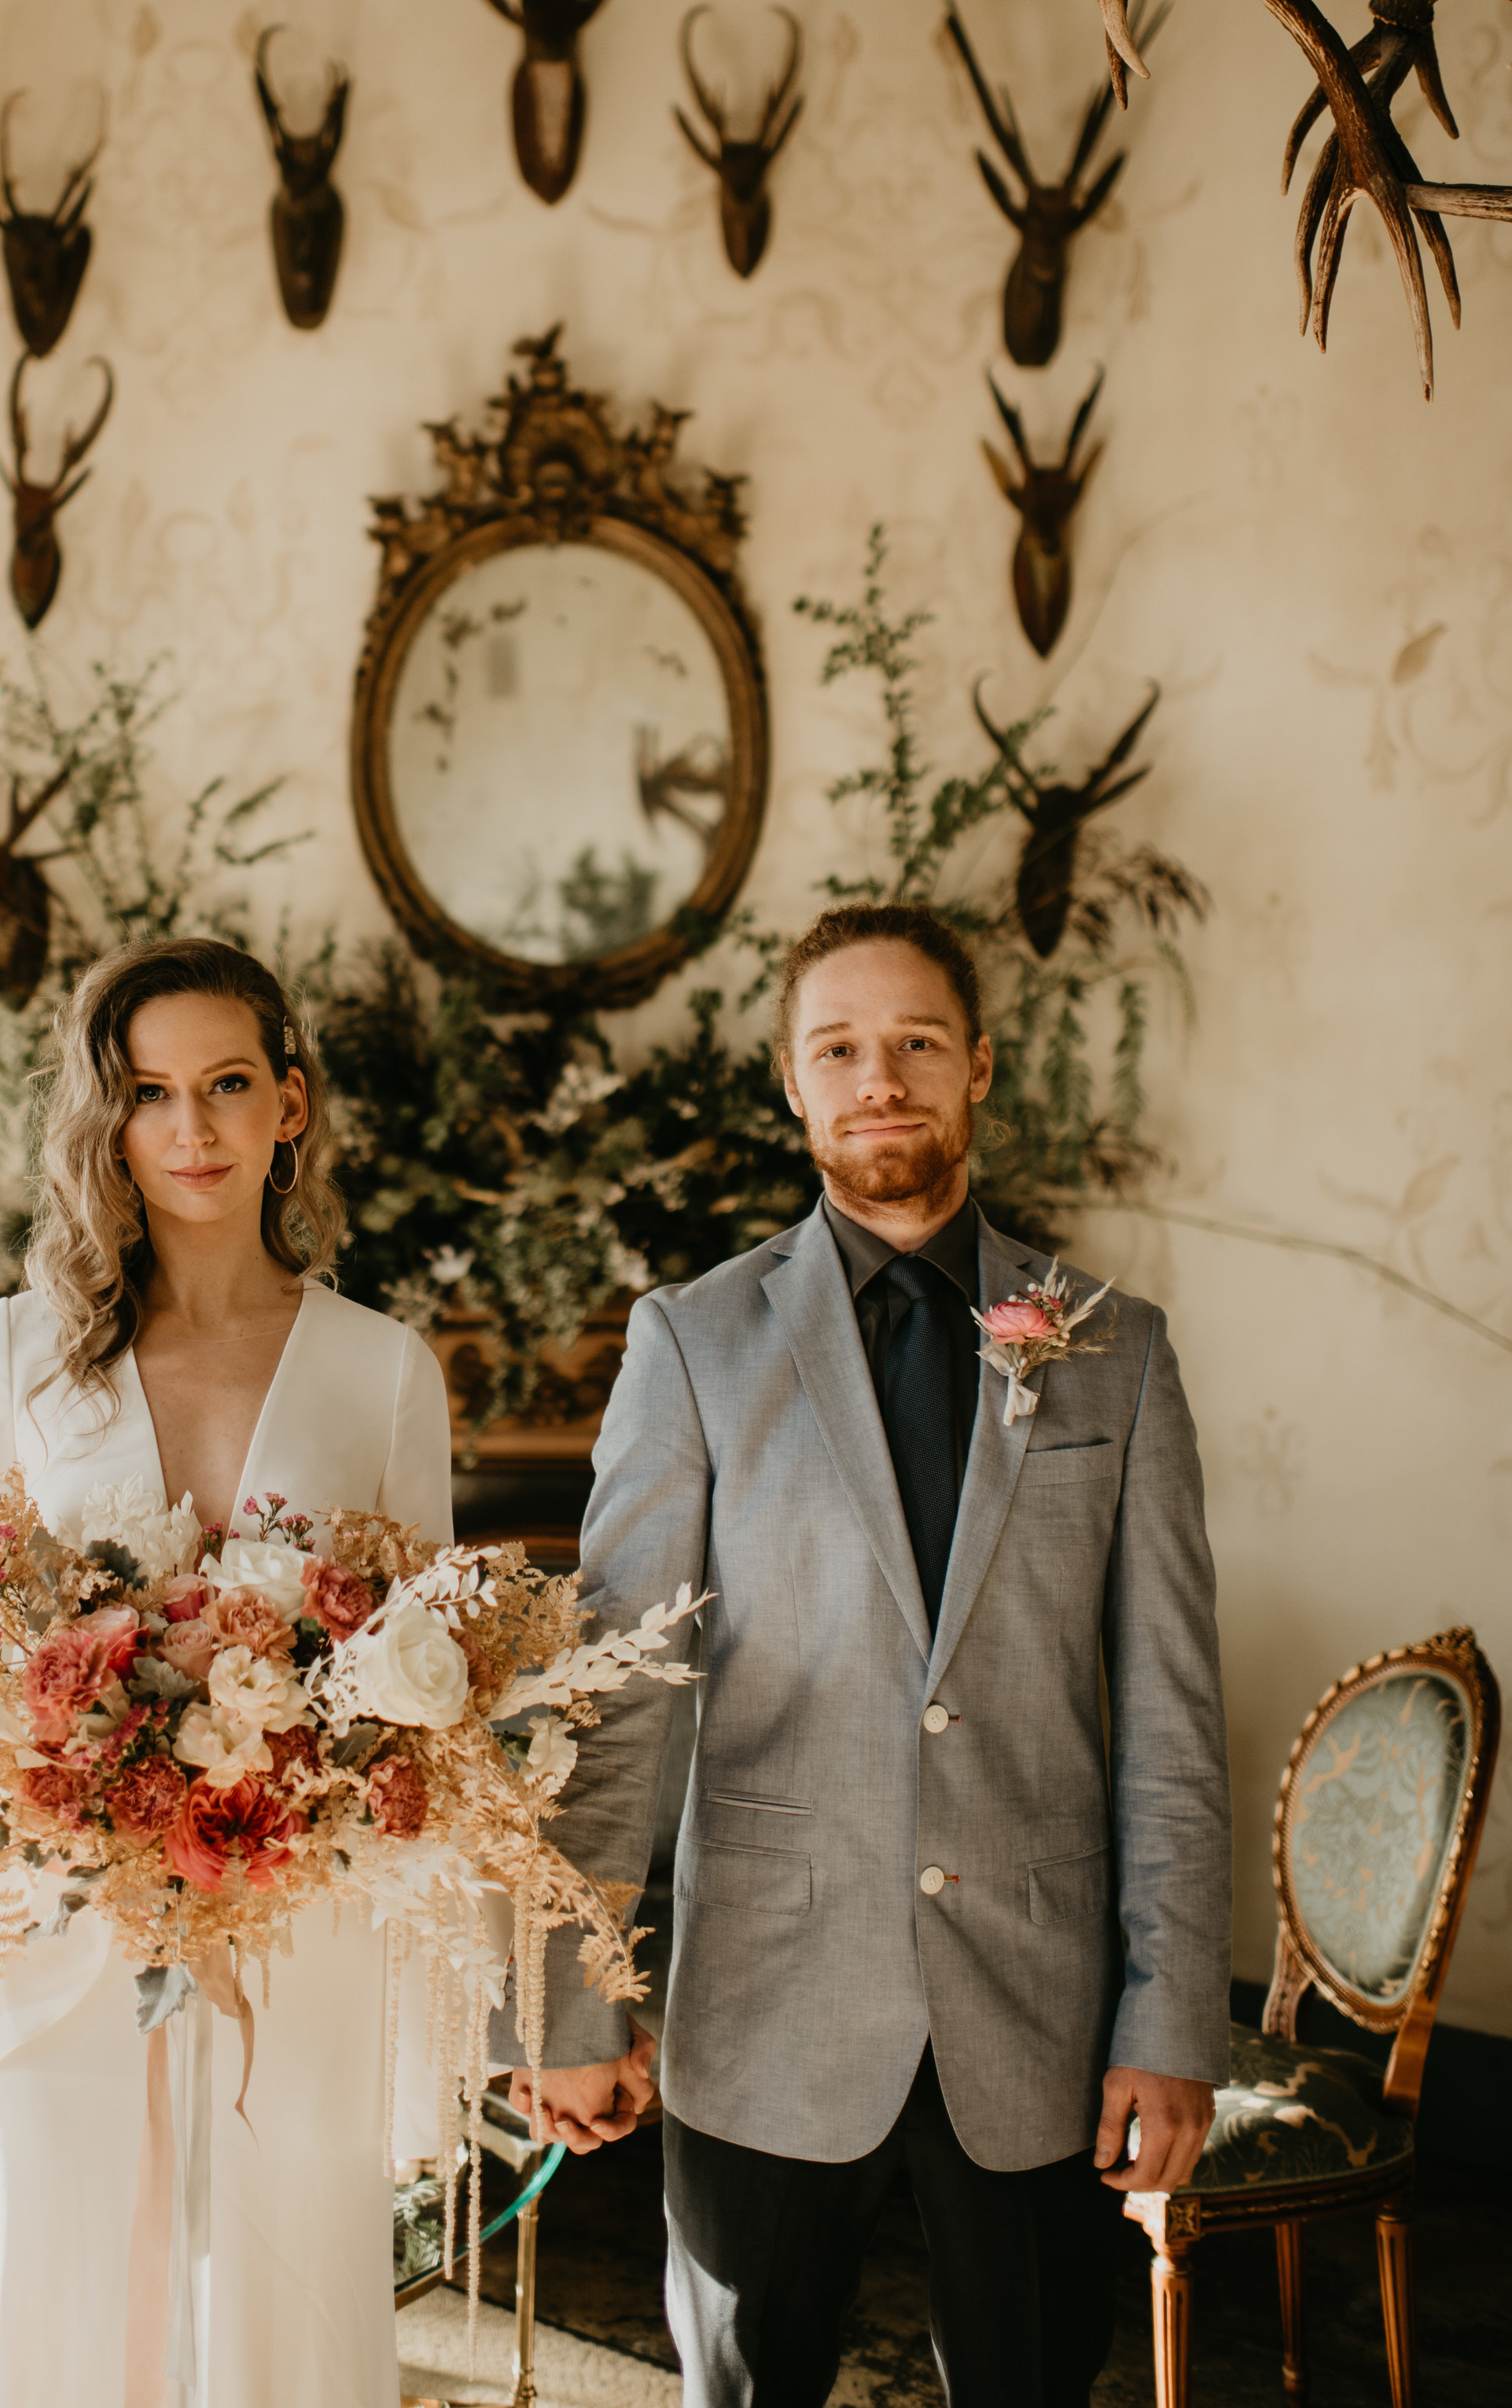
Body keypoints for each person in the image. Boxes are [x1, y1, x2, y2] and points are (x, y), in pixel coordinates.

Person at [506, 901, 1231, 2408]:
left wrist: (1170, 2024)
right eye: (839, 1047)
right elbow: (615, 1701)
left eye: (913, 1042)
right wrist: (576, 2004)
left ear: (977, 1067)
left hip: (1037, 2017)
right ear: (793, 1081)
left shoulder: (1117, 1346)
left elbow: (1169, 1714)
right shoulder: (691, 1342)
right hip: (763, 2007)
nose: (878, 1076)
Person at [0, 936, 452, 2408]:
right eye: (151, 1092)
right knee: (55, 2260)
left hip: (294, 1916)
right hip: (55, 1915)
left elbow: (428, 1678)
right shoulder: (19, 1359)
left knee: (282, 2274)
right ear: (110, 1122)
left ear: (290, 1104)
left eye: (228, 1084)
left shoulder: (382, 1367)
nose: (193, 1128)